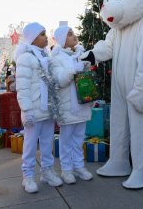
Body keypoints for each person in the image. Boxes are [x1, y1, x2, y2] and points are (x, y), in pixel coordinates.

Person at [14, 22, 63, 194]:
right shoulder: (26, 58)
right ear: (33, 38)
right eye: (42, 34)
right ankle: (27, 176)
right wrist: (26, 110)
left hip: (47, 109)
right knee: (30, 145)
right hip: (34, 110)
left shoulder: (45, 57)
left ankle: (47, 171)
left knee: (47, 141)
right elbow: (22, 87)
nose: (46, 37)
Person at [51, 25, 93, 184]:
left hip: (82, 103)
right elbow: (60, 80)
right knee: (66, 140)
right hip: (67, 105)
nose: (74, 36)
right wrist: (74, 70)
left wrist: (85, 68)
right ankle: (66, 170)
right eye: (69, 34)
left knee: (79, 138)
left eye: (73, 33)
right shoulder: (56, 57)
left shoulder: (80, 54)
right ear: (62, 39)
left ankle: (79, 166)